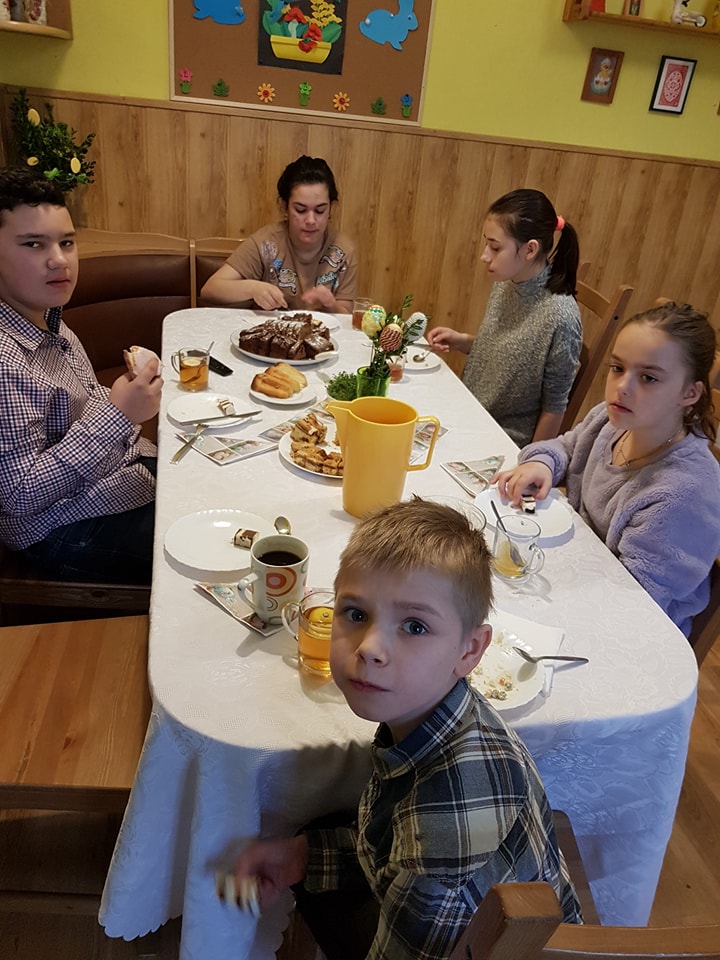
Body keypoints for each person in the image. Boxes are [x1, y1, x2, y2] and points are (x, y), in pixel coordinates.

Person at [232, 498, 582, 960]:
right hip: (466, 915)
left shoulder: (439, 840)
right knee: (320, 827)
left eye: (415, 627)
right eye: (356, 614)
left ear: (470, 650)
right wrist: (302, 857)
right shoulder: (437, 711)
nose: (370, 648)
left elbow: (422, 855)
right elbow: (391, 831)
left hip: (493, 945)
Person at [496, 301, 720, 638]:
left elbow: (633, 604)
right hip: (577, 579)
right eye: (617, 368)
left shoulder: (685, 493)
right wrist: (543, 463)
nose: (622, 387)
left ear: (690, 393)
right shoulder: (611, 418)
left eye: (648, 377)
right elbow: (568, 446)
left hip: (628, 629)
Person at [0, 167, 162, 584]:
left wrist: (130, 401)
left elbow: (87, 398)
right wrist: (119, 415)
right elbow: (17, 496)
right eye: (33, 244)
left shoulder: (49, 317)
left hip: (116, 471)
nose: (59, 259)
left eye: (66, 242)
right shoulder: (5, 360)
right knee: (214, 549)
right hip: (57, 531)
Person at [427, 188, 582, 447]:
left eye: (495, 247)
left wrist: (529, 462)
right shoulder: (508, 282)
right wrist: (463, 341)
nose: (484, 256)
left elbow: (554, 408)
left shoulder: (561, 317)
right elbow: (510, 354)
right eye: (486, 243)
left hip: (500, 439)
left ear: (530, 250)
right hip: (468, 410)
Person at [200, 155, 357, 313]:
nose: (311, 220)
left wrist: (329, 304)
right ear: (284, 206)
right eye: (300, 210)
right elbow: (210, 289)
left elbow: (346, 312)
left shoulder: (343, 250)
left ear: (331, 207)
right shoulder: (266, 243)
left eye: (320, 210)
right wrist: (253, 288)